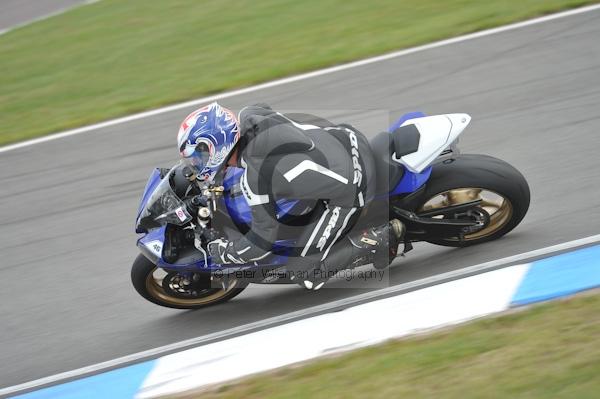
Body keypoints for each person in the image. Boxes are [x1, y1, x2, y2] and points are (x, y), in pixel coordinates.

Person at [178, 102, 404, 290]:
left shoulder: (257, 178)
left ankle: (379, 238)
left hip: (352, 186)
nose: (197, 162)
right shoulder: (251, 113)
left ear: (219, 145)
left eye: (200, 153)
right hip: (346, 137)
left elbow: (261, 242)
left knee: (304, 273)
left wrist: (225, 253)